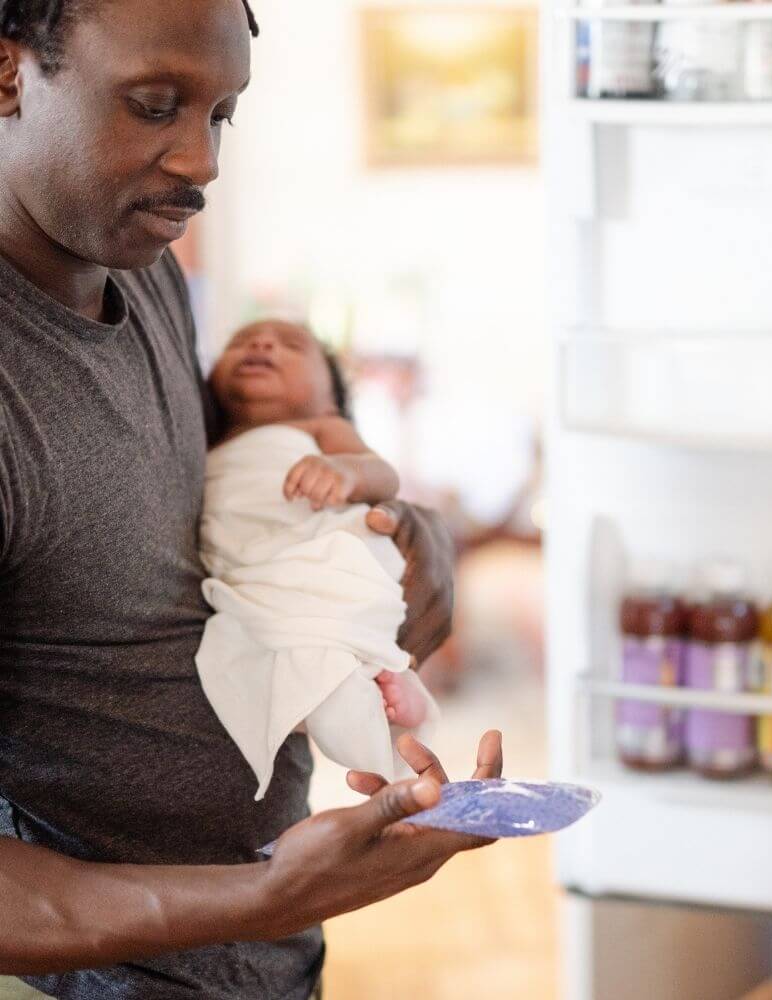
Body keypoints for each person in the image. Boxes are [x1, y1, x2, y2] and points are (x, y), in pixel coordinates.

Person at [0, 1, 502, 998]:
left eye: (220, 114)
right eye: (154, 106)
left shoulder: (133, 268)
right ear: (8, 73)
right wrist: (258, 894)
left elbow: (213, 493)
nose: (201, 161)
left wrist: (409, 527)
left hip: (262, 964)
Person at [197, 318, 437, 800]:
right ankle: (357, 696)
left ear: (330, 396)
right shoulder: (209, 441)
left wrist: (344, 473)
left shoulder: (320, 426)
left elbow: (381, 475)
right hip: (249, 566)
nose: (261, 344)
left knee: (331, 605)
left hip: (313, 538)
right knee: (256, 643)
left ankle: (384, 684)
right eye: (240, 342)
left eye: (290, 346)